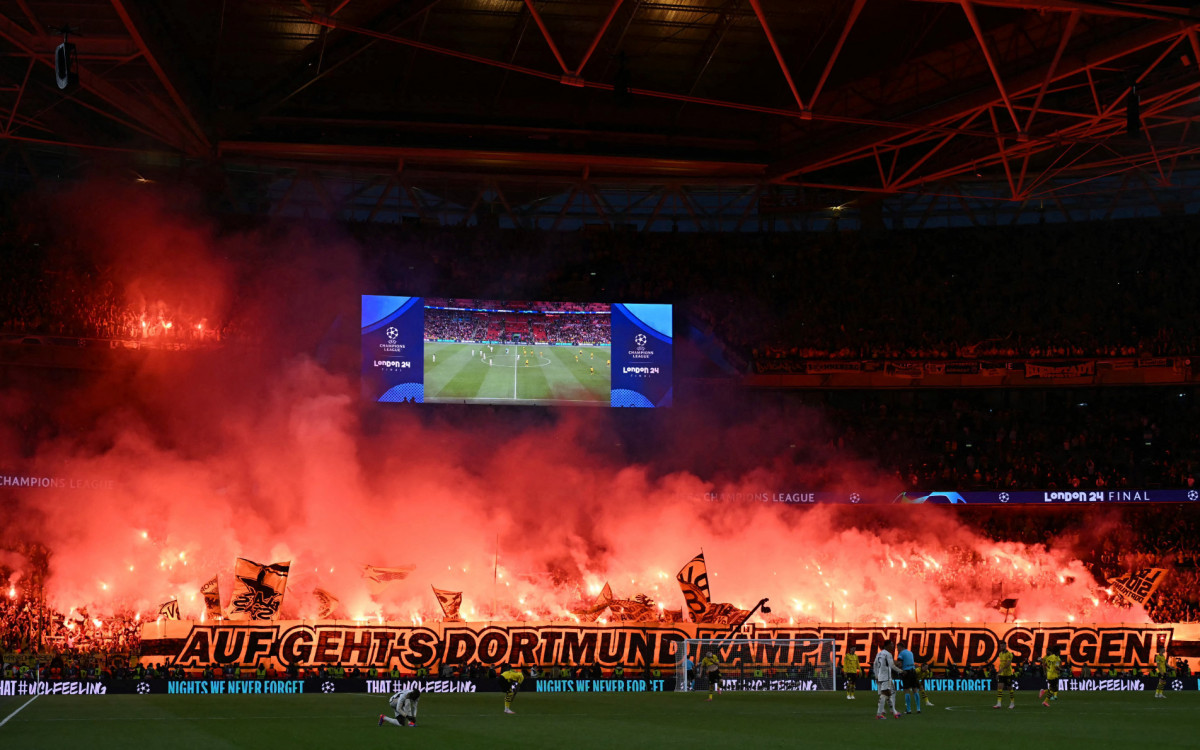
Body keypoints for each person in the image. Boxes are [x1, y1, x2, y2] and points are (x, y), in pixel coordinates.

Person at [873, 639, 903, 719]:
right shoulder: (888, 654)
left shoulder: (879, 654)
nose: (893, 646)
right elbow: (892, 666)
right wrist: (901, 671)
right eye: (891, 644)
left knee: (889, 694)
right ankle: (879, 714)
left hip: (880, 677)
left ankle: (894, 712)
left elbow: (875, 664)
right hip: (886, 677)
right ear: (887, 645)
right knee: (884, 694)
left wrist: (876, 676)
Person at [896, 640, 919, 713]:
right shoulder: (910, 652)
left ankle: (908, 709)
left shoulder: (901, 654)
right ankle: (918, 708)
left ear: (900, 647)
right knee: (915, 689)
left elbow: (899, 664)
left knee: (906, 690)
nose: (897, 650)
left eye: (897, 648)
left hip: (906, 673)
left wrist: (896, 666)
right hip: (913, 672)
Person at [993, 640, 1016, 709]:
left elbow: (1008, 664)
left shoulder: (1009, 654)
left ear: (1005, 646)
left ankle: (1012, 703)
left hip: (1008, 673)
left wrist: (1001, 669)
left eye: (1003, 645)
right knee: (999, 687)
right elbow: (1001, 664)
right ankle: (999, 703)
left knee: (1009, 688)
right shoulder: (1000, 654)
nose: (1001, 647)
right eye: (1000, 646)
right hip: (1002, 674)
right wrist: (999, 672)